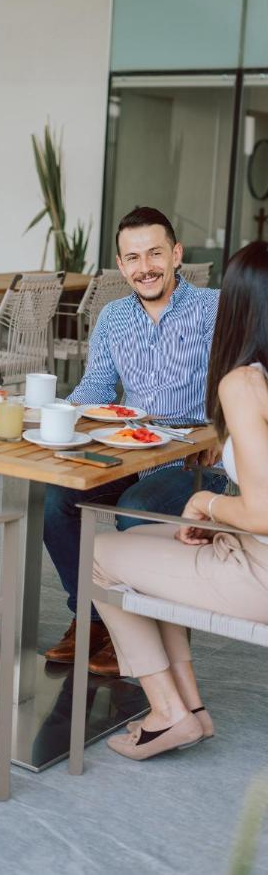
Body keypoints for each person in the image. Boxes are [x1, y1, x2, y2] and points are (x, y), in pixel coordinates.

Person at [91, 240, 268, 759]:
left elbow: (262, 511)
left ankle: (167, 712)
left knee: (97, 552)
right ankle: (190, 708)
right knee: (143, 536)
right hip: (250, 546)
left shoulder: (244, 382)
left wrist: (207, 508)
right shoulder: (116, 317)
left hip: (259, 570)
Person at [44, 207, 226, 675]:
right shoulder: (112, 317)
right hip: (131, 446)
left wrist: (219, 431)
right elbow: (97, 389)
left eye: (154, 254)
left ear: (176, 254)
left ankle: (137, 634)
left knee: (135, 510)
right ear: (121, 266)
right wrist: (54, 413)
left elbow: (242, 380)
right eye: (133, 258)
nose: (145, 267)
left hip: (196, 459)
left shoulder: (214, 309)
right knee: (59, 500)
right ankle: (95, 619)